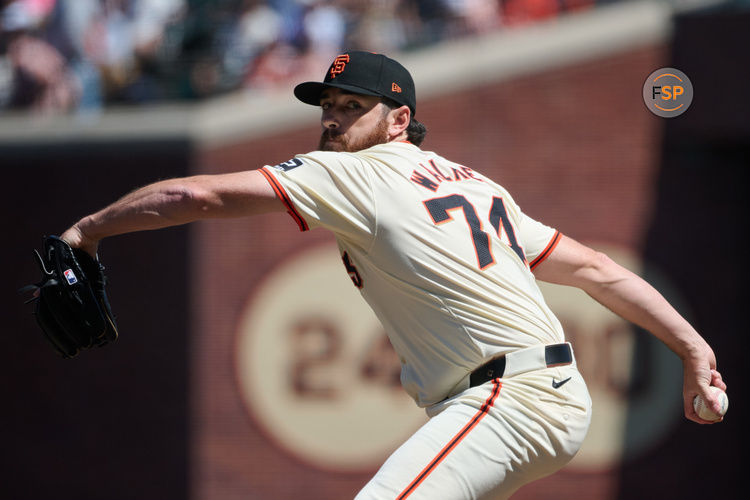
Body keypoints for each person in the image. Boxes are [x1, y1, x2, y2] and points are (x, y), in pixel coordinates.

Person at [60, 51, 726, 499]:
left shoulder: (357, 172)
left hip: (512, 396)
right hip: (527, 393)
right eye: (328, 104)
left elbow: (194, 196)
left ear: (399, 118)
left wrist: (86, 230)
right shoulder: (476, 185)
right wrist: (694, 348)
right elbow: (600, 271)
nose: (332, 117)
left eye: (353, 106)